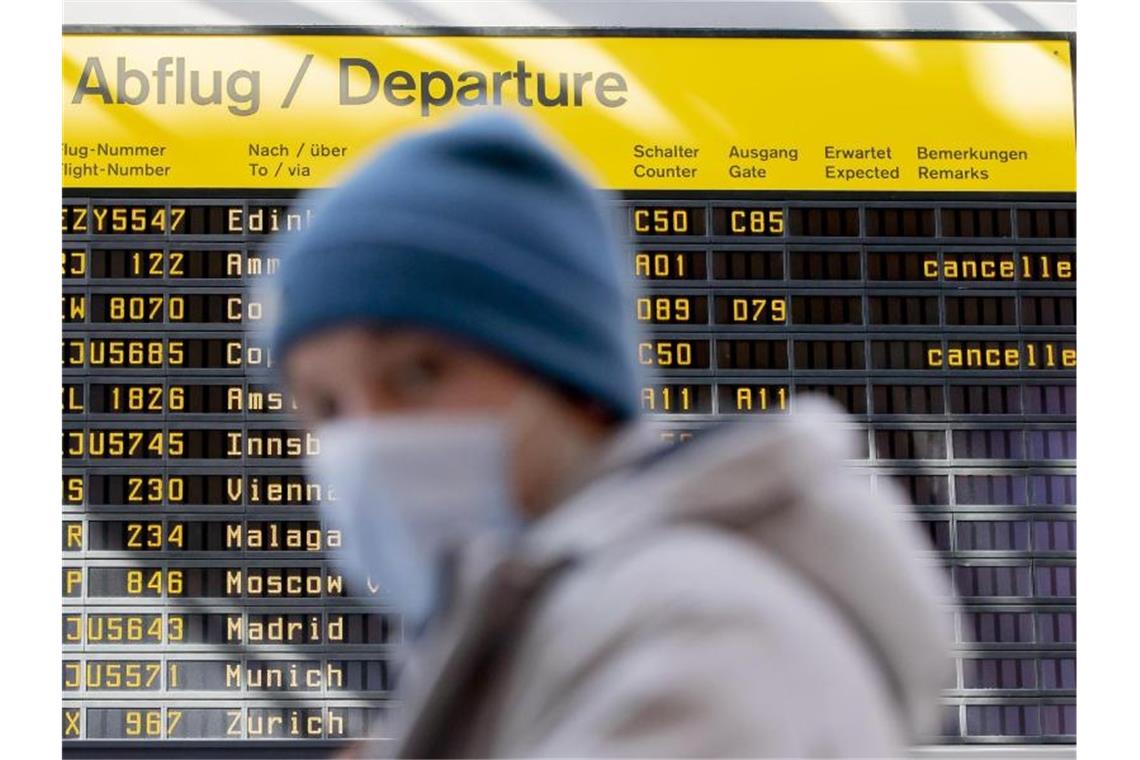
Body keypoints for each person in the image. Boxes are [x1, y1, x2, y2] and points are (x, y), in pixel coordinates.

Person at [267, 113, 954, 758]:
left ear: (574, 386)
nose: (368, 434)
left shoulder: (688, 627)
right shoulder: (573, 628)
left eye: (418, 373)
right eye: (325, 405)